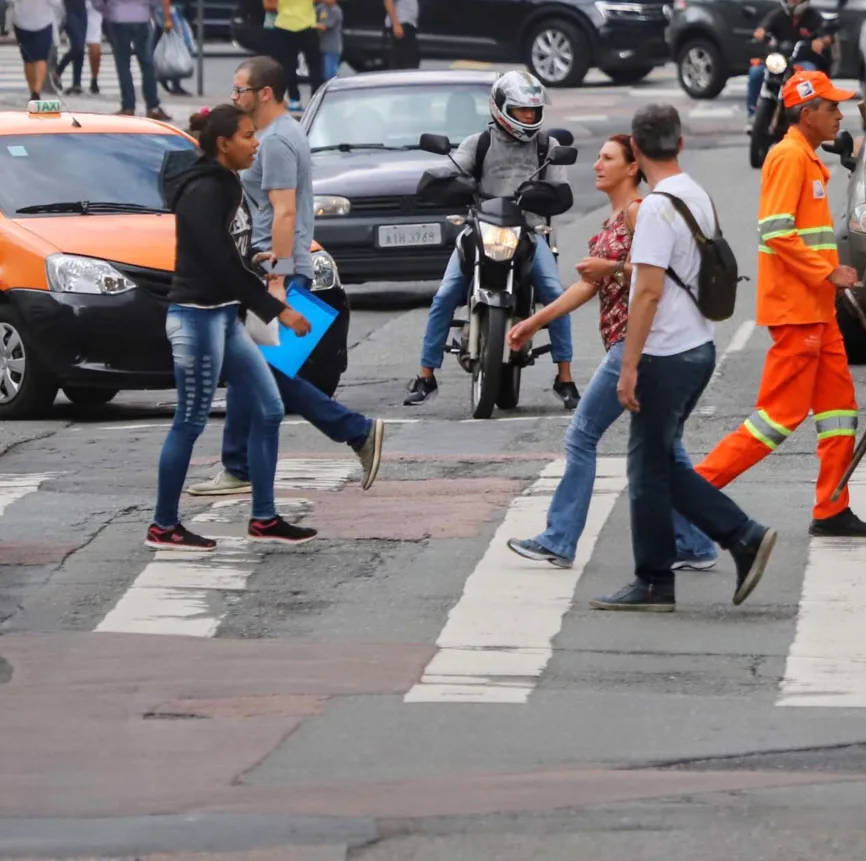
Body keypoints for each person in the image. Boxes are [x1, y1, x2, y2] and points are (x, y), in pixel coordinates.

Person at [505, 134, 720, 573]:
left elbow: (659, 274)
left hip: (638, 343)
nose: (597, 165)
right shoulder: (612, 222)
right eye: (599, 158)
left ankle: (559, 539)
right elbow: (588, 286)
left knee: (582, 435)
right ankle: (697, 544)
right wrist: (534, 322)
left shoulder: (640, 212)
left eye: (607, 158)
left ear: (631, 167)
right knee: (666, 448)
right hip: (642, 346)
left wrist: (612, 268)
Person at [595, 104, 781, 610]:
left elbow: (647, 291)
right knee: (657, 464)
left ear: (635, 150)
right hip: (699, 347)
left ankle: (717, 547)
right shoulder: (696, 194)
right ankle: (692, 561)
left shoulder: (656, 210)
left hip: (665, 354)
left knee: (647, 471)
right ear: (679, 144)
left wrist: (629, 365)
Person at [183, 56, 387, 500]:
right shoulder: (283, 133)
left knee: (264, 374)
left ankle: (356, 431)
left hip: (279, 272)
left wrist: (276, 279)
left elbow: (285, 212)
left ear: (264, 93)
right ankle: (238, 466)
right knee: (252, 371)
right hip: (275, 268)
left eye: (240, 89)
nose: (233, 96)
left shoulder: (275, 141)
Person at [694, 71, 866, 538]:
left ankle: (832, 508)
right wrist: (829, 272)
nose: (840, 115)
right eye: (832, 107)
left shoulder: (808, 157)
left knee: (840, 412)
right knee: (777, 419)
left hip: (818, 312)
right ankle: (692, 491)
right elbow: (776, 231)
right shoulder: (788, 157)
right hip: (798, 312)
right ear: (807, 113)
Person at [152, 106, 317, 551]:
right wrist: (277, 310)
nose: (255, 143)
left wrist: (254, 261)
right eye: (247, 136)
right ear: (223, 143)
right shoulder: (205, 189)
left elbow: (227, 251)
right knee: (189, 421)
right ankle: (163, 526)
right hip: (197, 318)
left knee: (269, 409)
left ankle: (264, 518)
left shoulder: (226, 181)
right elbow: (218, 263)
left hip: (223, 316)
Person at [404, 70, 580, 409]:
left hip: (529, 232)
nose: (528, 117)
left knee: (556, 295)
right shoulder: (478, 144)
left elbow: (561, 189)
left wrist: (543, 195)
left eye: (533, 111)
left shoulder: (548, 146)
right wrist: (442, 180)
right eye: (521, 111)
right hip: (481, 229)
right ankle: (426, 375)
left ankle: (566, 378)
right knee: (444, 296)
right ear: (501, 109)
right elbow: (456, 168)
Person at [748, 0, 833, 115]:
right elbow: (764, 27)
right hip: (779, 60)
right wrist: (761, 32)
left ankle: (807, 115)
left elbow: (826, 35)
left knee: (809, 77)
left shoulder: (814, 17)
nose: (793, 0)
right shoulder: (777, 14)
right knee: (756, 72)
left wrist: (822, 41)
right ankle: (753, 114)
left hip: (803, 61)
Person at [261, 0, 325, 105]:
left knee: (288, 65)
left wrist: (285, 3)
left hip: (284, 23)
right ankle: (315, 99)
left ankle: (294, 99)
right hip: (306, 23)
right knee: (314, 64)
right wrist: (305, 1)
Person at [7, 0, 60, 100]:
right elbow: (55, 0)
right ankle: (37, 90)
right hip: (43, 22)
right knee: (41, 57)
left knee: (28, 59)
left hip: (21, 22)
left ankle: (32, 90)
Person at [158, 0, 199, 97]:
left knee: (182, 45)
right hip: (172, 10)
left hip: (179, 9)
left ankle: (174, 81)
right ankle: (173, 81)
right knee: (180, 45)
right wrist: (167, 18)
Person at [315, 0, 345, 85]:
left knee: (329, 73)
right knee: (323, 73)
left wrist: (310, 23)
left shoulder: (335, 11)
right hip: (322, 46)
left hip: (332, 47)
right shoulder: (321, 7)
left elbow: (324, 26)